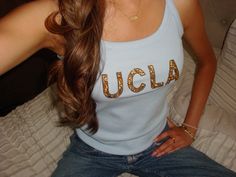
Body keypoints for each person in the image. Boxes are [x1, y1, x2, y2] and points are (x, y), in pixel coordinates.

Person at [0, 0, 235, 176]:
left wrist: (190, 128)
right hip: (92, 151)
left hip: (159, 142)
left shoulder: (179, 4)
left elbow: (207, 62)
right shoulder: (62, 15)